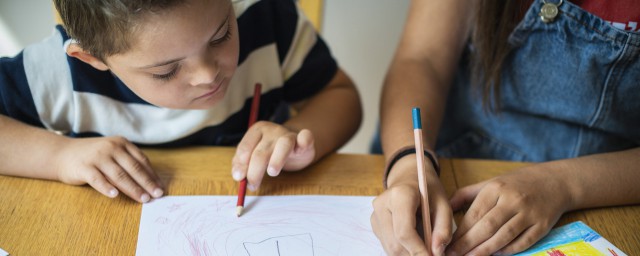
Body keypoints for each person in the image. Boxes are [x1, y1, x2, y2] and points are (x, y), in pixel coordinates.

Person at [0, 0, 361, 204]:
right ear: (92, 58)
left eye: (221, 35)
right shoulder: (60, 73)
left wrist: (296, 133)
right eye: (166, 70)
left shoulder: (266, 18)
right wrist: (60, 156)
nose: (208, 74)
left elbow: (341, 96)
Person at [371, 0, 640, 255]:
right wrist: (407, 165)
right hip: (446, 165)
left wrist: (563, 184)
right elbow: (421, 58)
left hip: (605, 187)